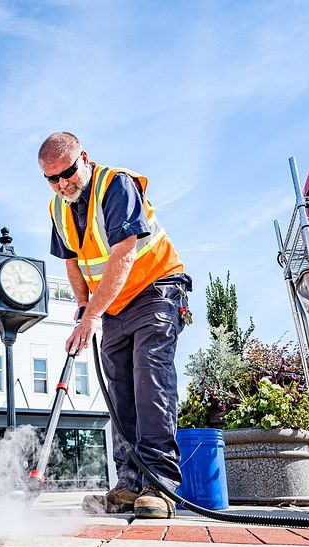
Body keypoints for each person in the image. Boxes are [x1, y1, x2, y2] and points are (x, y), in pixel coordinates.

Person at [38, 132, 191, 519]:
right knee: (121, 393)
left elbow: (123, 255)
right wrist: (83, 304)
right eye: (52, 179)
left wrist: (90, 317)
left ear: (84, 159)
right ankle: (129, 484)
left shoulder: (115, 184)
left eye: (68, 173)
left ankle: (160, 486)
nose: (62, 184)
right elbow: (71, 262)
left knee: (149, 384)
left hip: (156, 290)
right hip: (114, 306)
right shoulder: (59, 207)